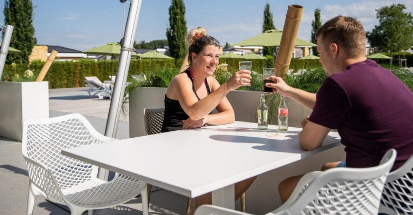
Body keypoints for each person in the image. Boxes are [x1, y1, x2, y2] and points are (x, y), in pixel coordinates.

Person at [265, 15, 413, 203]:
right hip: (405, 184)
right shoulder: (381, 73)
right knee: (327, 167)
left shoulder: (338, 84)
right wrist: (287, 90)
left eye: (320, 52)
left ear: (333, 49)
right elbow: (329, 104)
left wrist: (311, 125)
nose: (320, 60)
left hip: (378, 190)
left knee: (287, 187)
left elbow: (309, 143)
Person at [162, 32, 256, 208]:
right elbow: (194, 112)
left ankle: (211, 209)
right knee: (211, 168)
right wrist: (227, 86)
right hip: (173, 147)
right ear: (194, 56)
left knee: (251, 167)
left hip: (197, 143)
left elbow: (230, 115)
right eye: (209, 55)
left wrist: (205, 119)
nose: (215, 61)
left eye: (217, 56)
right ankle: (206, 210)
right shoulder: (181, 80)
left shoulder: (210, 81)